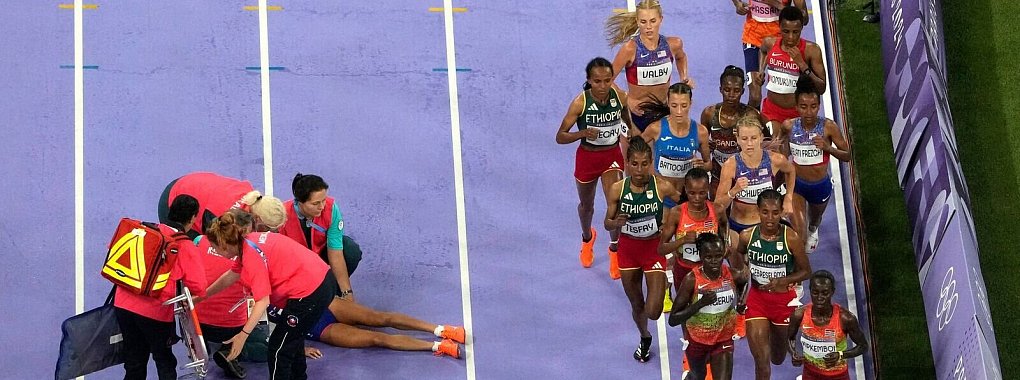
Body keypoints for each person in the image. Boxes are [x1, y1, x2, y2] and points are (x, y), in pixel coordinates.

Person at [203, 210, 335, 380]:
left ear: (225, 246)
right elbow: (231, 275)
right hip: (322, 278)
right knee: (291, 340)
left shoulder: (251, 256)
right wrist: (202, 296)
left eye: (214, 247)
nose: (214, 251)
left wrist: (242, 336)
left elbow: (262, 301)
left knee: (279, 349)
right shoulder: (248, 242)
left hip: (311, 293)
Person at [556, 57, 637, 279]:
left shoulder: (619, 97)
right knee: (586, 206)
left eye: (607, 81)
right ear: (589, 81)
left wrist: (628, 135)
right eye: (598, 81)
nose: (603, 86)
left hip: (611, 156)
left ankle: (614, 250)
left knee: (616, 203)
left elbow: (626, 121)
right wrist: (582, 133)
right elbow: (560, 136)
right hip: (587, 158)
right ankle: (587, 238)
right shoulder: (580, 103)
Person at [604, 136, 681, 362]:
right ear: (627, 163)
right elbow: (606, 222)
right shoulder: (618, 189)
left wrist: (673, 227)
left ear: (651, 162)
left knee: (654, 310)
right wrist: (615, 223)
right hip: (628, 250)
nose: (639, 169)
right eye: (635, 164)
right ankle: (645, 336)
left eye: (645, 163)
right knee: (637, 303)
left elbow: (685, 205)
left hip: (653, 249)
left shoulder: (663, 186)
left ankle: (663, 288)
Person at [114, 195, 208, 380]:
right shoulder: (186, 246)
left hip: (123, 304)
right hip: (155, 313)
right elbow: (199, 287)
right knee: (164, 360)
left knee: (134, 360)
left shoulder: (147, 231)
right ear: (192, 219)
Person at [731, 190, 811, 380]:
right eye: (765, 212)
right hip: (757, 300)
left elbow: (807, 271)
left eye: (775, 213)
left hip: (783, 302)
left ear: (781, 212)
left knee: (777, 358)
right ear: (758, 211)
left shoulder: (790, 238)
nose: (770, 218)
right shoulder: (746, 236)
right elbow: (740, 256)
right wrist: (743, 273)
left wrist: (783, 281)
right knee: (762, 361)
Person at [771, 81, 851, 253]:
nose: (808, 112)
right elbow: (780, 143)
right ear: (796, 106)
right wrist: (778, 150)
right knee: (799, 236)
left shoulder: (829, 127)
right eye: (803, 106)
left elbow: (847, 155)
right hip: (797, 186)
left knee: (814, 220)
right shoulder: (789, 125)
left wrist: (828, 148)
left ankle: (814, 228)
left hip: (820, 187)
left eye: (813, 106)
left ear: (819, 106)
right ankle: (796, 276)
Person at [668, 233, 746, 380]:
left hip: (724, 339)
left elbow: (745, 282)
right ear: (701, 256)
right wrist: (700, 304)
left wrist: (741, 301)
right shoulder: (692, 280)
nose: (714, 261)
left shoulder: (732, 274)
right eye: (708, 257)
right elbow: (673, 319)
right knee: (698, 376)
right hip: (698, 342)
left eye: (718, 256)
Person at [606, 0, 692, 133]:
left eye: (653, 21)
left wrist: (684, 77)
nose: (648, 27)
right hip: (636, 115)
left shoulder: (673, 44)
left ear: (661, 19)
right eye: (643, 22)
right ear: (637, 21)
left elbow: (681, 57)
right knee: (635, 153)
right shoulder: (630, 49)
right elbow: (606, 80)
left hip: (664, 112)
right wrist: (627, 99)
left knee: (661, 153)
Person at [278, 173, 361, 302]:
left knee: (350, 250)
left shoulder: (331, 209)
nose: (322, 207)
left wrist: (347, 293)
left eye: (323, 200)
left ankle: (333, 293)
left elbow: (335, 252)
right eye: (316, 203)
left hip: (321, 258)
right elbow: (279, 260)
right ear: (300, 202)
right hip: (297, 265)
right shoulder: (281, 216)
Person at [299, 296, 465, 359]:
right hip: (319, 328)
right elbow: (272, 336)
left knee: (381, 317)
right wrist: (300, 349)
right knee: (377, 338)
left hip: (324, 305)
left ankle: (441, 329)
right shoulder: (271, 310)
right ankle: (438, 346)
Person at [658, 168, 742, 292]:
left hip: (711, 270)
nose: (697, 198)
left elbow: (724, 224)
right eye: (692, 193)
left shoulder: (717, 210)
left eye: (702, 193)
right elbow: (661, 249)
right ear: (685, 189)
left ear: (708, 188)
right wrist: (682, 241)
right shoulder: (677, 213)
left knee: (710, 308)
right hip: (684, 269)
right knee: (685, 308)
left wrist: (725, 243)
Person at [715, 116, 797, 234]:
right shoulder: (730, 166)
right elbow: (718, 206)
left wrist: (788, 198)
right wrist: (733, 191)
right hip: (739, 226)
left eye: (753, 138)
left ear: (761, 138)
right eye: (744, 138)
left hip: (765, 227)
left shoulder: (775, 160)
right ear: (737, 139)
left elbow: (791, 171)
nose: (749, 144)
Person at [751, 6, 827, 133]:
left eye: (795, 32)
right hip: (771, 110)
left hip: (798, 113)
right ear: (779, 27)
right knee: (774, 146)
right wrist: (761, 70)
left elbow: (821, 88)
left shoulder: (811, 50)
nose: (791, 37)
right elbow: (763, 51)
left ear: (802, 28)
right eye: (786, 32)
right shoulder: (770, 43)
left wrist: (802, 65)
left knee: (791, 150)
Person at [788, 270, 869, 380]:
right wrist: (793, 353)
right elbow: (789, 338)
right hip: (810, 374)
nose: (820, 297)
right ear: (810, 291)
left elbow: (863, 346)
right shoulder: (799, 315)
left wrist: (840, 355)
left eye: (825, 293)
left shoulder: (845, 318)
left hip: (838, 375)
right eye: (815, 292)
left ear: (832, 292)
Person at [639, 83, 712, 203]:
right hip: (661, 196)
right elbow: (634, 151)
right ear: (668, 103)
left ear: (690, 103)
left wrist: (702, 166)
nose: (679, 111)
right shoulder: (656, 128)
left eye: (684, 105)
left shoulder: (700, 132)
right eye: (674, 105)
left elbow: (708, 164)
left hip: (687, 197)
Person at [729, 0, 807, 109]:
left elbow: (804, 18)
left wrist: (777, 5)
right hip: (753, 38)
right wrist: (737, 4)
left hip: (779, 43)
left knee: (788, 95)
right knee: (755, 96)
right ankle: (749, 123)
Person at [701, 65, 764, 196]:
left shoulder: (751, 115)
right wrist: (706, 146)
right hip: (717, 175)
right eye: (727, 90)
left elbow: (767, 140)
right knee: (718, 210)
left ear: (742, 91)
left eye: (736, 91)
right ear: (720, 89)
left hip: (744, 176)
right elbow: (702, 142)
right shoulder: (709, 114)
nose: (731, 95)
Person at [158, 172, 255, 236]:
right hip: (170, 204)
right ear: (258, 219)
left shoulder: (252, 194)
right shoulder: (220, 219)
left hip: (191, 184)